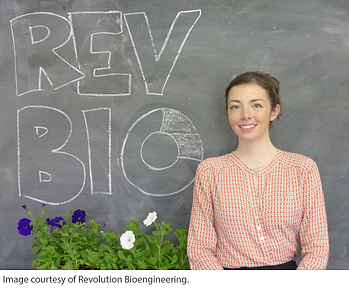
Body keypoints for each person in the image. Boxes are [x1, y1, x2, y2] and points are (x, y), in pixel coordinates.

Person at [187, 71, 329, 270]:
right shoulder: (210, 171)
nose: (246, 115)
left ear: (274, 111)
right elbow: (200, 249)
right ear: (227, 112)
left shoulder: (302, 169)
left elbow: (317, 248)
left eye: (256, 105)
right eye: (235, 106)